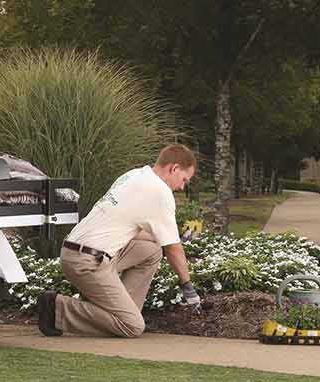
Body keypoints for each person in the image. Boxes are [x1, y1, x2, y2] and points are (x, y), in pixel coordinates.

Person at [38, 144, 200, 338]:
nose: (182, 187)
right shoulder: (160, 192)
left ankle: (122, 310)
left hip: (76, 251)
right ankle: (57, 309)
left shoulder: (134, 175)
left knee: (152, 250)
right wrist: (187, 286)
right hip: (87, 262)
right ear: (173, 168)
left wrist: (172, 237)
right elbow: (173, 249)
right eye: (184, 179)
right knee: (132, 327)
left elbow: (136, 231)